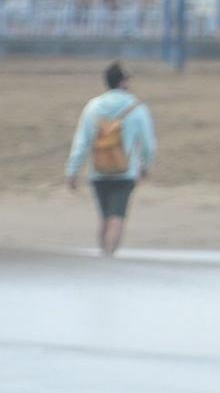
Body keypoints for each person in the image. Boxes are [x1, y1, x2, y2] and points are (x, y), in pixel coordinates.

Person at [64, 61, 156, 257]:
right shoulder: (137, 108)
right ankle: (109, 257)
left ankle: (103, 256)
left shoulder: (92, 107)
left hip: (98, 172)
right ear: (123, 82)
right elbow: (148, 144)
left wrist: (72, 172)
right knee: (117, 217)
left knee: (105, 217)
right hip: (125, 171)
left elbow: (81, 142)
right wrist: (145, 165)